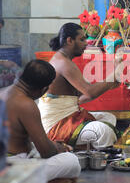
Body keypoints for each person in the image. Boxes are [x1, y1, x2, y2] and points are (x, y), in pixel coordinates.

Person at [0, 59, 81, 183]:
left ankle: (33, 181)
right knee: (72, 162)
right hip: (12, 166)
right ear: (43, 90)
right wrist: (59, 148)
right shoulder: (26, 104)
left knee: (37, 150)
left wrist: (53, 145)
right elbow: (46, 152)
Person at [38, 22, 121, 150]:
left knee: (108, 117)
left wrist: (111, 82)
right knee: (104, 131)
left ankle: (84, 150)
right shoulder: (63, 63)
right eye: (82, 39)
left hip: (69, 115)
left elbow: (82, 96)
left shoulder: (64, 60)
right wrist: (115, 73)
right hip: (57, 125)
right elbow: (90, 92)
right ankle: (96, 157)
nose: (86, 43)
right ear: (70, 40)